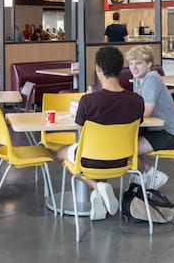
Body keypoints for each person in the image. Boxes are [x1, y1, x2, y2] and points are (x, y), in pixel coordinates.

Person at [56, 46, 144, 221]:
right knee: (105, 155)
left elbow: (82, 138)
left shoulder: (88, 101)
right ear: (121, 69)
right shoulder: (137, 101)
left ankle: (97, 187)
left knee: (60, 154)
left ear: (98, 69)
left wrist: (88, 100)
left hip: (89, 160)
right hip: (121, 160)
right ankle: (99, 195)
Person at [127, 46, 174, 190]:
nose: (134, 67)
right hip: (154, 129)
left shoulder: (152, 78)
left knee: (125, 149)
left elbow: (145, 111)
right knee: (121, 144)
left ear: (149, 64)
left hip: (170, 133)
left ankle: (151, 174)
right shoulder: (137, 79)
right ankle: (143, 176)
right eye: (131, 63)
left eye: (138, 63)